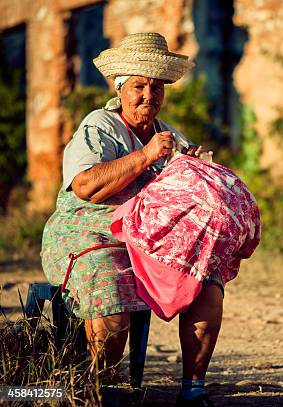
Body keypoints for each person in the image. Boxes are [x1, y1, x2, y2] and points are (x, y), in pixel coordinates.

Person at [41, 33, 230, 406]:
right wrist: (145, 157)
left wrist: (195, 167)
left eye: (157, 88)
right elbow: (85, 187)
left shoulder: (168, 134)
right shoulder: (100, 126)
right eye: (139, 86)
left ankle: (193, 390)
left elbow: (187, 199)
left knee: (207, 282)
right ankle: (102, 390)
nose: (149, 96)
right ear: (121, 89)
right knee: (111, 286)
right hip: (89, 234)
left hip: (149, 241)